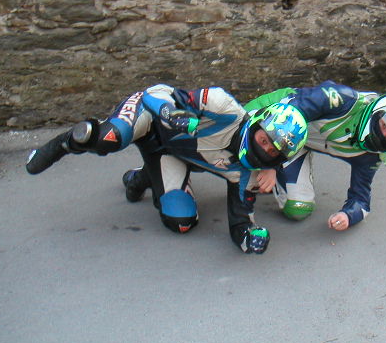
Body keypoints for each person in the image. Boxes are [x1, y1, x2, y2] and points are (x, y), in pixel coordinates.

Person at [25, 84, 308, 254]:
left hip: (169, 153)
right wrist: (169, 114)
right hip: (151, 118)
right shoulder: (223, 106)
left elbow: (240, 221)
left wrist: (249, 238)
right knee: (109, 138)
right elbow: (154, 95)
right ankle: (67, 142)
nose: (264, 150)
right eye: (264, 140)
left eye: (273, 151)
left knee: (181, 222)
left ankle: (140, 178)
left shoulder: (245, 174)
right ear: (257, 125)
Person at [244, 80, 386, 231]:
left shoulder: (372, 156)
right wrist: (270, 165)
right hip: (271, 118)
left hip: (299, 144)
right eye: (385, 126)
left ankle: (276, 174)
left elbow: (361, 200)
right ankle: (246, 184)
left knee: (298, 209)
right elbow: (286, 116)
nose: (383, 136)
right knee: (240, 154)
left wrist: (348, 216)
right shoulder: (341, 99)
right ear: (379, 110)